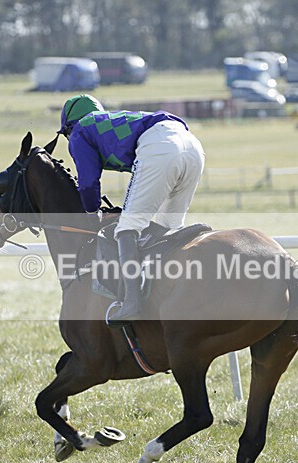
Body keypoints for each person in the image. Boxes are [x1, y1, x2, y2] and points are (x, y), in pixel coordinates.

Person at [57, 94, 205, 326]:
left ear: (69, 126)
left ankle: (131, 303)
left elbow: (87, 182)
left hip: (161, 146)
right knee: (168, 228)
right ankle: (170, 294)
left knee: (127, 227)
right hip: (193, 146)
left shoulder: (80, 131)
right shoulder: (108, 124)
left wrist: (91, 213)